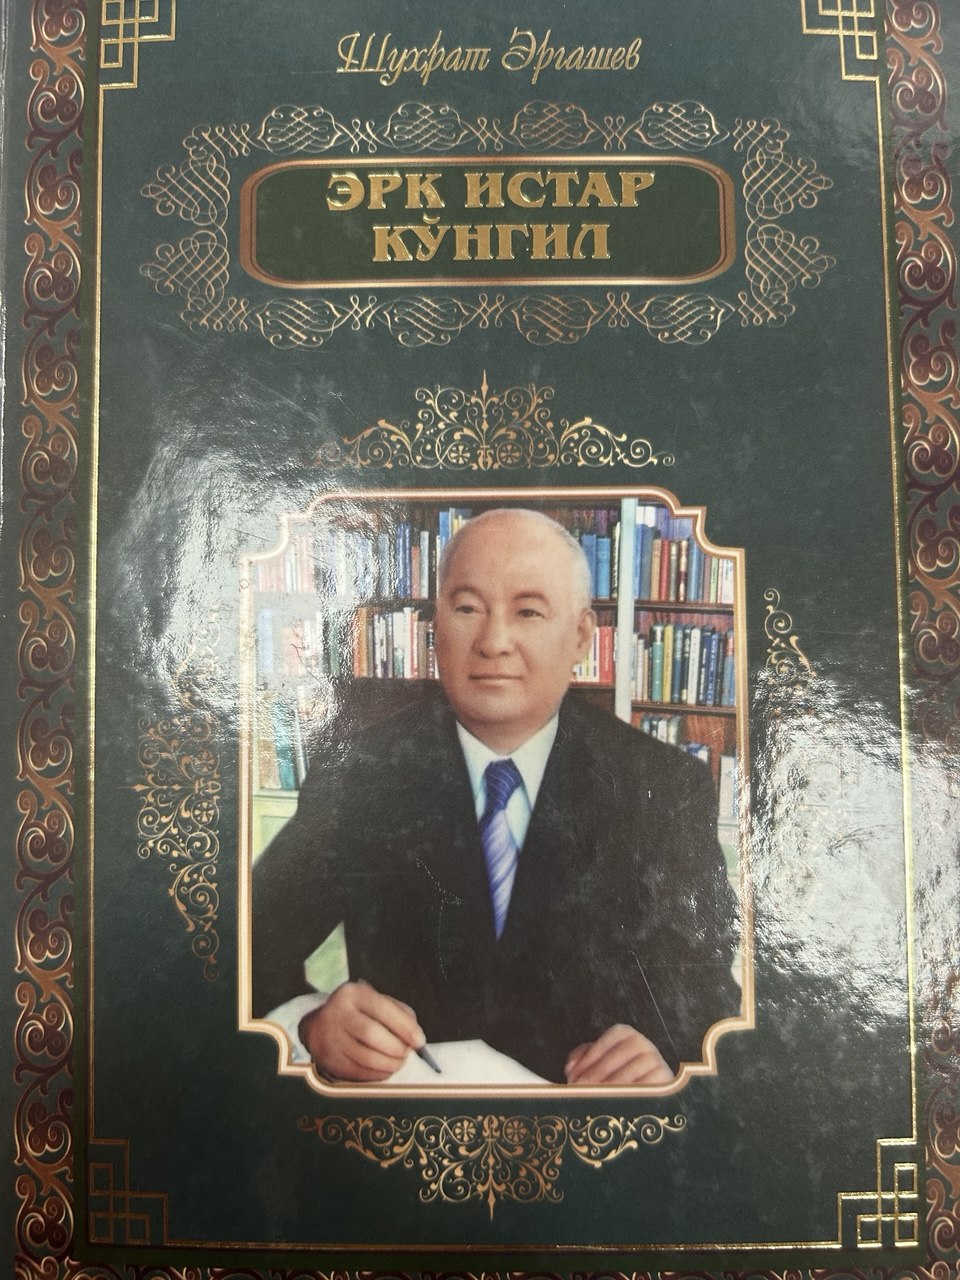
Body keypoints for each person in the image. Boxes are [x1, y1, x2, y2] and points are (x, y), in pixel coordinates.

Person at [251, 508, 741, 1085]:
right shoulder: (361, 773)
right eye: (467, 609)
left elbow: (709, 994)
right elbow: (240, 948)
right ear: (435, 626)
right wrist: (310, 1024)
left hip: (587, 1122)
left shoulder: (661, 786)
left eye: (528, 612)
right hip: (412, 1119)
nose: (493, 643)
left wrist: (664, 1051)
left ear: (581, 636)